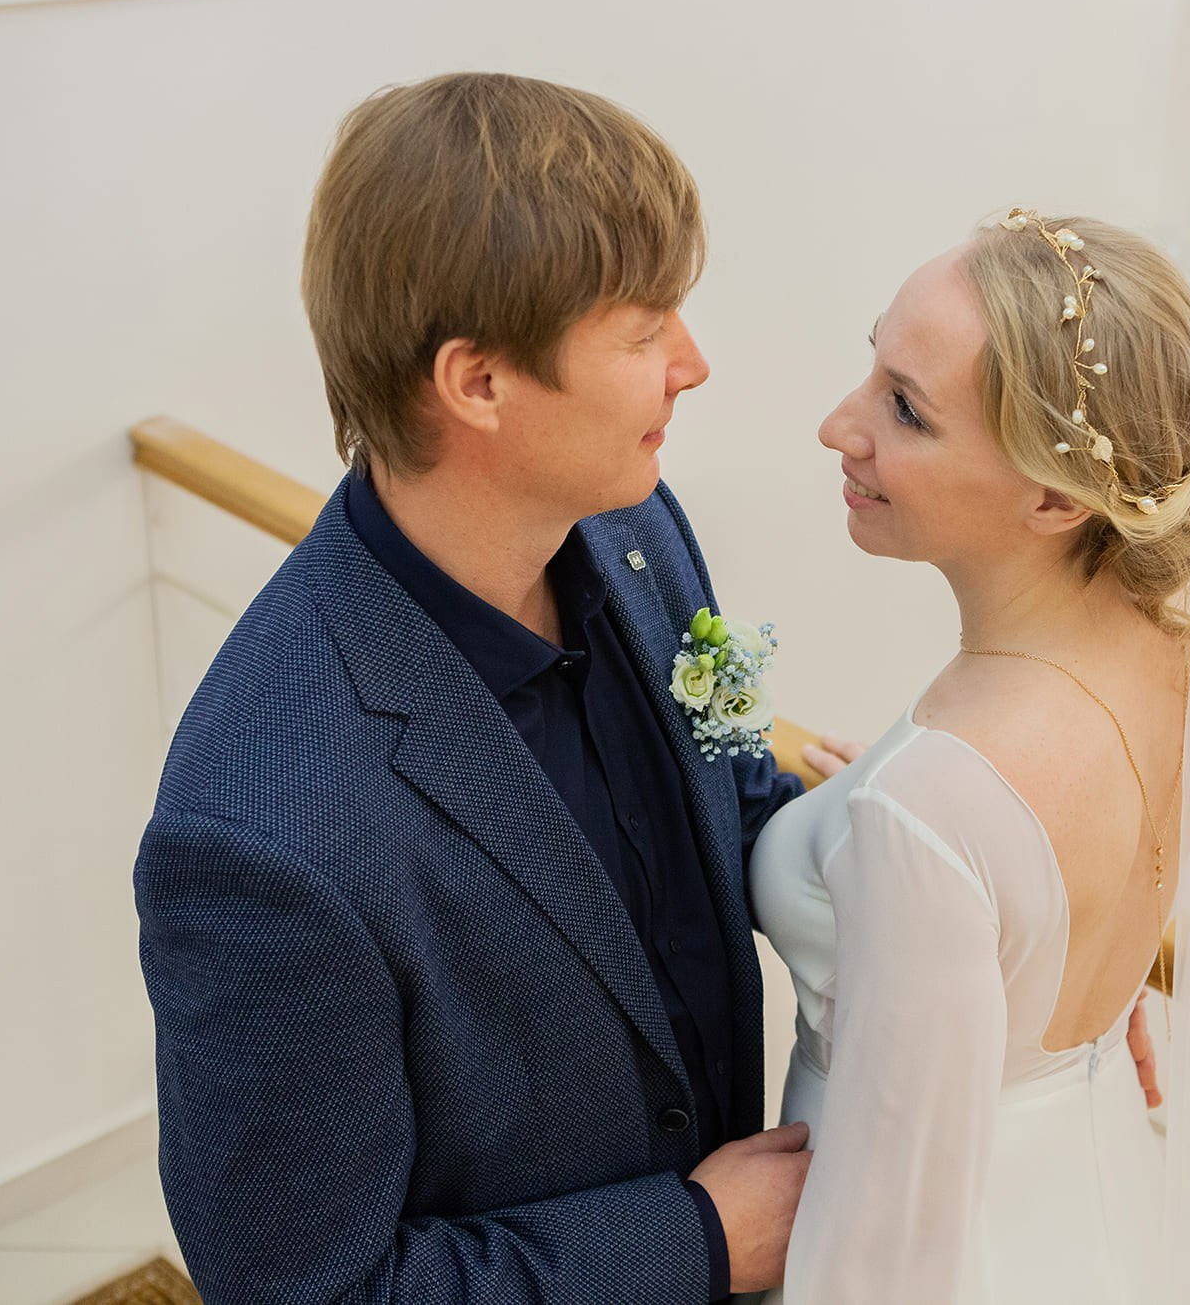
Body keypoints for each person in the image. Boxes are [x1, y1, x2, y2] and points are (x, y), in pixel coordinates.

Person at [133, 73, 858, 1304]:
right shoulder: (257, 839)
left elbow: (735, 770)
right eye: (642, 333)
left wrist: (1033, 948)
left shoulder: (641, 528)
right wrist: (693, 1240)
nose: (691, 364)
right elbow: (314, 1288)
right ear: (477, 383)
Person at [749, 210, 1190, 1302]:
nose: (838, 425)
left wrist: (890, 826)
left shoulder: (930, 804)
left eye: (904, 409)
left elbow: (883, 1257)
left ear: (1053, 497)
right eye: (871, 361)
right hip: (1092, 1196)